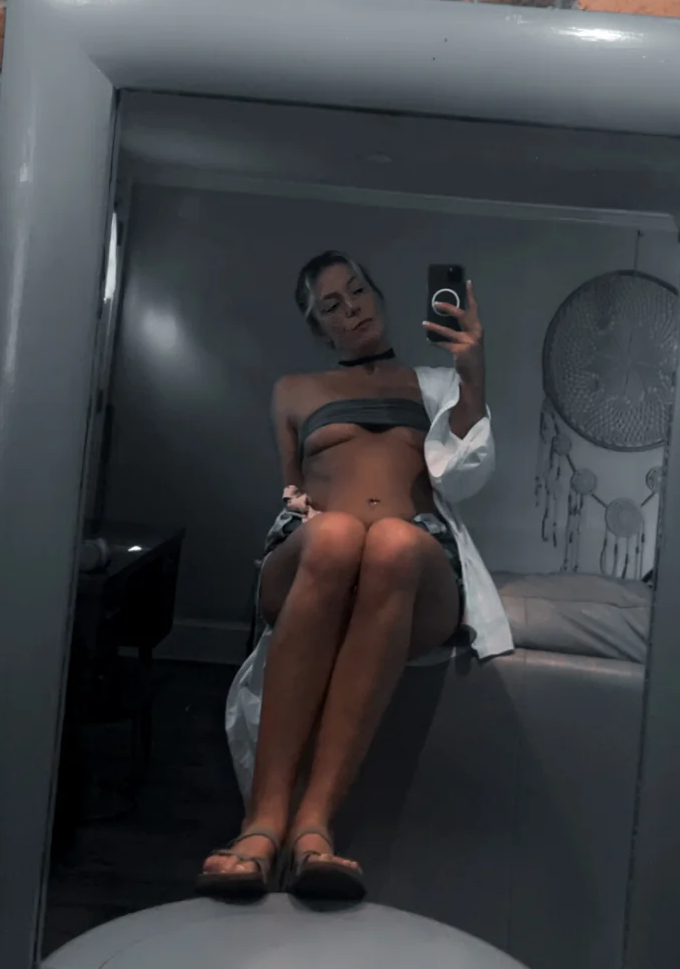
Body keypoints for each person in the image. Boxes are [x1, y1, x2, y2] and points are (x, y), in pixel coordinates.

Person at [195, 250, 513, 902]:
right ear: (319, 327)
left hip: (415, 565)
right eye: (332, 305)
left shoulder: (433, 383)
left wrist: (473, 370)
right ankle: (262, 825)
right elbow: (292, 490)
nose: (352, 308)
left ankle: (313, 826)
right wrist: (312, 522)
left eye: (359, 290)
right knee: (339, 534)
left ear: (378, 295)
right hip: (317, 555)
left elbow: (465, 476)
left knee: (391, 542)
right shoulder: (294, 389)